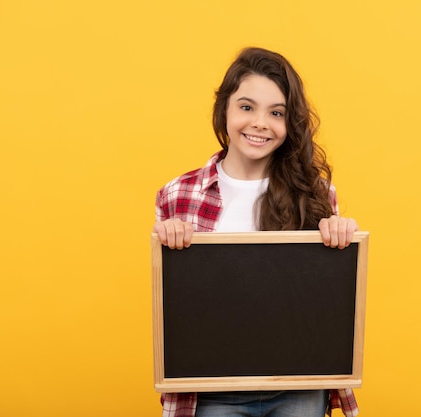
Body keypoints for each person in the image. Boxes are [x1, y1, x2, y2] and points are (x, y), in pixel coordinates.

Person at [153, 47, 360, 417]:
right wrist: (168, 239)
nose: (260, 123)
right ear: (225, 110)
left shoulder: (313, 194)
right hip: (213, 389)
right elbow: (180, 305)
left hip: (296, 385)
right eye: (247, 107)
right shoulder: (177, 194)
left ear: (289, 123)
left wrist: (339, 234)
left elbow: (323, 301)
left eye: (276, 113)